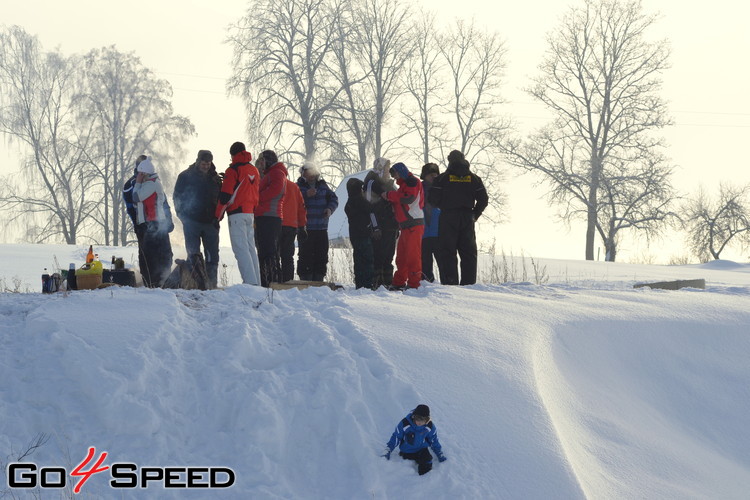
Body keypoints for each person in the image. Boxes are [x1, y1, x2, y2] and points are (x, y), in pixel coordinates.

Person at [428, 150, 488, 285]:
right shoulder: (474, 179)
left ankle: (450, 283)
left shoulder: (442, 179)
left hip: (448, 217)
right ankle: (469, 284)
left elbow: (432, 199)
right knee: (468, 253)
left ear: (449, 161)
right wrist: (474, 214)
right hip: (467, 217)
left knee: (448, 251)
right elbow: (483, 199)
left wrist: (444, 206)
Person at [173, 150, 222, 289]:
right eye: (203, 163)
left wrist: (217, 218)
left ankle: (211, 285)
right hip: (191, 222)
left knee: (212, 256)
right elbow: (177, 197)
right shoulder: (185, 176)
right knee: (193, 254)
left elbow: (221, 200)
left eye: (208, 163)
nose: (206, 166)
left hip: (211, 223)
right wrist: (182, 216)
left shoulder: (216, 179)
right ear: (197, 161)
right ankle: (194, 284)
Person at [216, 142, 261, 286]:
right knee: (250, 248)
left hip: (236, 214)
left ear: (233, 155)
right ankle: (256, 282)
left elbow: (225, 196)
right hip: (250, 213)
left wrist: (217, 216)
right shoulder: (254, 169)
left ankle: (250, 283)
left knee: (240, 249)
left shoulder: (233, 170)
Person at [131, 155, 174, 287]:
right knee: (152, 254)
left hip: (154, 223)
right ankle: (155, 281)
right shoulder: (151, 182)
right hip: (151, 224)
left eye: (140, 173)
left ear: (144, 172)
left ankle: (157, 282)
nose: (138, 175)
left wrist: (137, 182)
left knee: (154, 255)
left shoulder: (150, 183)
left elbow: (136, 197)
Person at [383, 162, 424, 289]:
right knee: (401, 257)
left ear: (400, 172)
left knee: (412, 256)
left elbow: (408, 198)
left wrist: (389, 196)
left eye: (394, 174)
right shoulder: (405, 184)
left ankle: (414, 284)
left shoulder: (412, 182)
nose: (394, 178)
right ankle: (399, 282)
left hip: (413, 225)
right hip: (407, 226)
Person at [296, 161, 338, 281]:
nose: (311, 175)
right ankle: (305, 279)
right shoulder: (298, 187)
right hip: (305, 228)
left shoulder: (323, 186)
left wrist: (329, 209)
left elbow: (334, 199)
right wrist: (305, 195)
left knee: (321, 255)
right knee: (305, 255)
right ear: (303, 174)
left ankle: (319, 279)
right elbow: (294, 200)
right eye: (308, 172)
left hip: (322, 227)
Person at [382, 404, 446, 476]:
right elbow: (396, 437)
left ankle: (425, 479)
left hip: (421, 449)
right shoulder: (405, 424)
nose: (420, 422)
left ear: (427, 419)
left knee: (427, 460)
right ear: (413, 416)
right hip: (407, 451)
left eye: (423, 419)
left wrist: (439, 452)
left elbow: (433, 440)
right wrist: (388, 449)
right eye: (417, 418)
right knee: (405, 468)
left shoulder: (429, 427)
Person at [364, 157, 399, 288]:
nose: (388, 172)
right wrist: (375, 227)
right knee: (378, 256)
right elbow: (369, 207)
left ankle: (388, 282)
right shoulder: (371, 182)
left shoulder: (389, 184)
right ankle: (377, 283)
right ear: (380, 168)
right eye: (386, 169)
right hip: (379, 226)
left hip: (391, 225)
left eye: (388, 169)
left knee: (388, 257)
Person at [255, 149, 287, 287]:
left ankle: (272, 281)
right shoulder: (272, 173)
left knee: (269, 251)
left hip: (269, 216)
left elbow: (276, 190)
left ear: (268, 160)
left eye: (262, 160)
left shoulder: (277, 173)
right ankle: (266, 280)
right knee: (264, 250)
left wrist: (257, 198)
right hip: (265, 215)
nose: (261, 164)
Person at [344, 177, 378, 289]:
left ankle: (359, 283)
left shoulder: (349, 203)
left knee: (358, 260)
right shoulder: (361, 201)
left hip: (354, 235)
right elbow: (372, 209)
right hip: (364, 234)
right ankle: (368, 284)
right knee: (367, 259)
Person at [277, 172, 307, 282]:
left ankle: (276, 280)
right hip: (291, 225)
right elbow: (301, 208)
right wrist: (302, 225)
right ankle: (288, 280)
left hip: (276, 223)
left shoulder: (274, 184)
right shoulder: (294, 187)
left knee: (275, 255)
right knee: (288, 256)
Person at [420, 163, 441, 282]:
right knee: (425, 262)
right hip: (424, 232)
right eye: (430, 175)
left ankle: (447, 284)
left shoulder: (441, 188)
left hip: (438, 231)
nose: (433, 177)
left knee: (442, 262)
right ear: (425, 175)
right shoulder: (419, 188)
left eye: (435, 174)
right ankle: (426, 282)